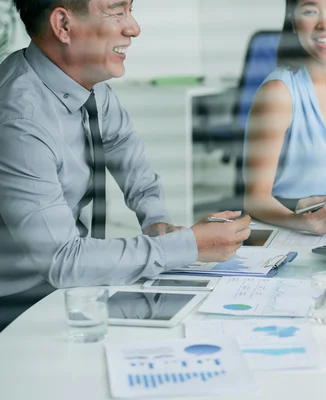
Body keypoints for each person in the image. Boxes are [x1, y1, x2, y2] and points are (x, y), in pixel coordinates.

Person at [0, 0, 250, 331]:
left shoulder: (87, 85)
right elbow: (63, 261)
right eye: (117, 12)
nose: (133, 28)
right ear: (63, 25)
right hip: (20, 306)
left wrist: (157, 222)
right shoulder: (19, 120)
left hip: (74, 287)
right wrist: (189, 245)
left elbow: (123, 149)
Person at [243, 0, 326, 235]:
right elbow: (254, 200)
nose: (325, 23)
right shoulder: (278, 93)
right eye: (310, 11)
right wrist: (300, 222)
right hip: (282, 228)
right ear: (294, 24)